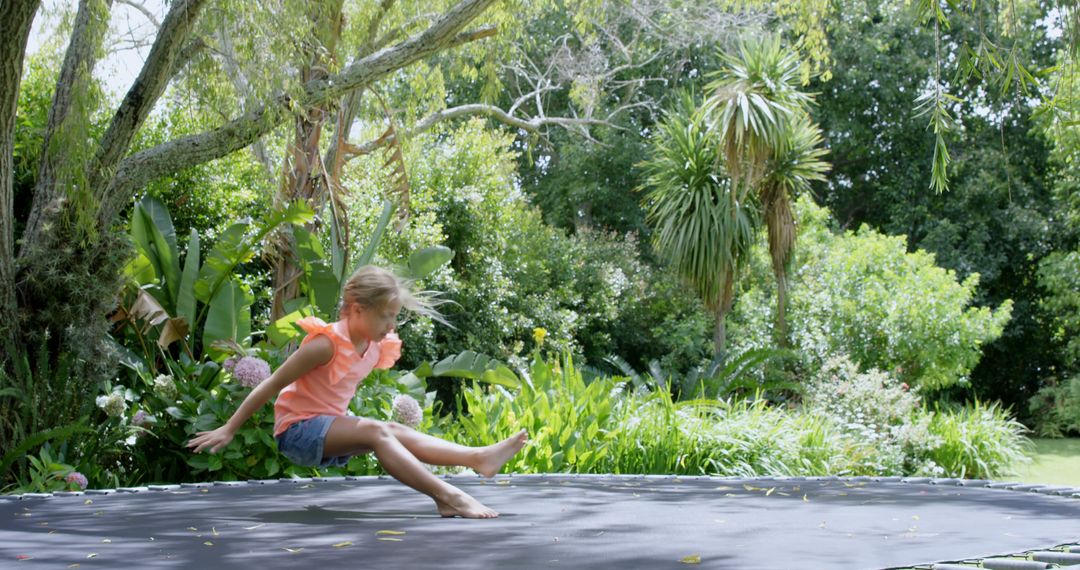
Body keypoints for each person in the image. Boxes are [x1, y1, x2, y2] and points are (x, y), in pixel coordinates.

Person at [186, 265, 529, 518]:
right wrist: (229, 427)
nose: (391, 326)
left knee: (393, 430)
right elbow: (272, 384)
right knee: (376, 430)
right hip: (297, 433)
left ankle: (477, 458)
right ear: (357, 309)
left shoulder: (379, 343)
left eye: (395, 317)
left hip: (327, 428)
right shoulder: (325, 345)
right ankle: (447, 496)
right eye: (385, 317)